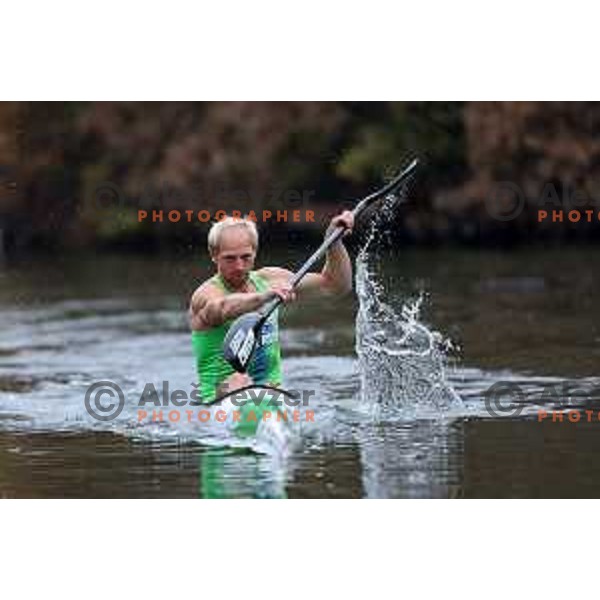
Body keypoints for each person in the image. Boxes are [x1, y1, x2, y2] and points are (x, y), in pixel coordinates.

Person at [189, 211, 355, 402]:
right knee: (238, 382)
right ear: (214, 255)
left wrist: (334, 242)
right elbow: (222, 308)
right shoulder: (205, 295)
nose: (239, 266)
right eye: (230, 258)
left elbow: (335, 285)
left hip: (270, 395)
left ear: (255, 252)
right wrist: (263, 297)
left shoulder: (271, 279)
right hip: (219, 401)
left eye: (246, 257)